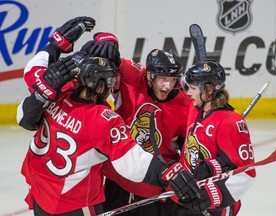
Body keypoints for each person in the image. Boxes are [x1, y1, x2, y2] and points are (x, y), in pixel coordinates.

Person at [16, 35, 204, 215]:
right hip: (77, 198)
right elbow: (131, 160)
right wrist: (168, 172)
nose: (168, 86)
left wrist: (56, 44)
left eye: (172, 80)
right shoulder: (103, 119)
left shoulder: (58, 93)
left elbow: (31, 84)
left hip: (42, 189)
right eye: (109, 83)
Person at [80, 34, 195, 215]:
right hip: (118, 174)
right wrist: (108, 39)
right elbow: (105, 53)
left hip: (153, 183)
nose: (167, 86)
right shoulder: (132, 77)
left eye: (172, 80)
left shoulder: (186, 105)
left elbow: (190, 148)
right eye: (162, 79)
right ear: (149, 74)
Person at [172, 60, 256, 215]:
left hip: (213, 206)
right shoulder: (195, 107)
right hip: (187, 197)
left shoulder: (230, 122)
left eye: (192, 88)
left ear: (209, 90)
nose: (188, 92)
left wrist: (212, 195)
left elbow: (246, 173)